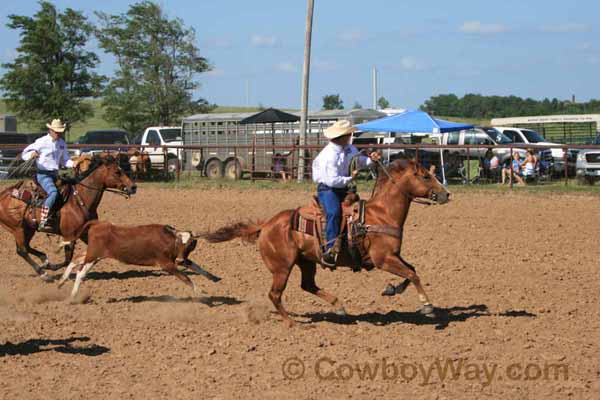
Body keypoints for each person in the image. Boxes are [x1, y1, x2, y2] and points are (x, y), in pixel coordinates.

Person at [312, 120, 380, 267]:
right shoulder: (328, 156)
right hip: (328, 189)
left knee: (360, 212)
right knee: (334, 212)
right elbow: (332, 180)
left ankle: (358, 246)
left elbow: (359, 160)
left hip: (343, 187)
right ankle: (331, 248)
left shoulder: (348, 148)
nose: (350, 136)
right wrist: (351, 177)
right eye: (348, 134)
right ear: (341, 136)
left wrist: (371, 161)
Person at [21, 119, 75, 229]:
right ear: (50, 130)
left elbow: (65, 160)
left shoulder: (61, 143)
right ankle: (43, 219)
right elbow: (24, 154)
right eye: (56, 131)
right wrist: (31, 154)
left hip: (55, 174)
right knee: (53, 192)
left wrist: (74, 163)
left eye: (60, 132)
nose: (58, 134)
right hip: (43, 175)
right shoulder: (41, 142)